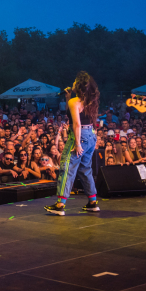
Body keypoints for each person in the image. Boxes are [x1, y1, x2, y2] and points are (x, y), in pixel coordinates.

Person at [45, 71, 101, 215]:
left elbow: (76, 123)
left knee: (67, 167)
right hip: (91, 135)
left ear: (79, 85)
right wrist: (69, 96)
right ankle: (93, 202)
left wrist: (77, 144)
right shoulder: (89, 100)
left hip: (79, 136)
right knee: (85, 168)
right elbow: (79, 114)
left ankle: (60, 205)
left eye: (75, 81)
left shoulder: (74, 102)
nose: (73, 83)